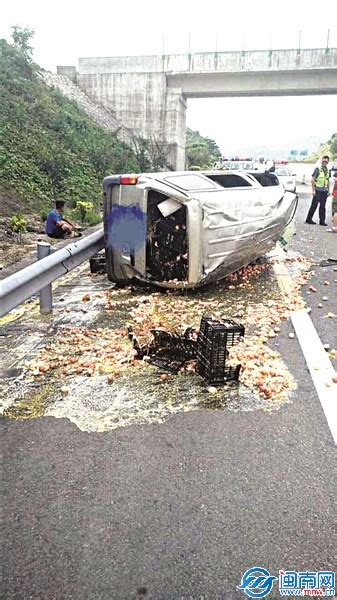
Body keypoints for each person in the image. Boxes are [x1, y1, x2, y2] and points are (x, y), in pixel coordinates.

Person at [305, 155, 330, 225]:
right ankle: (308, 219)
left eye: (326, 161)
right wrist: (313, 190)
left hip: (324, 191)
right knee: (314, 205)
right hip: (318, 190)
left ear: (328, 162)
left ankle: (322, 221)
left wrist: (329, 190)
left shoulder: (328, 170)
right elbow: (313, 179)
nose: (325, 162)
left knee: (323, 206)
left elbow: (327, 180)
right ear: (321, 161)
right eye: (323, 160)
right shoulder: (317, 169)